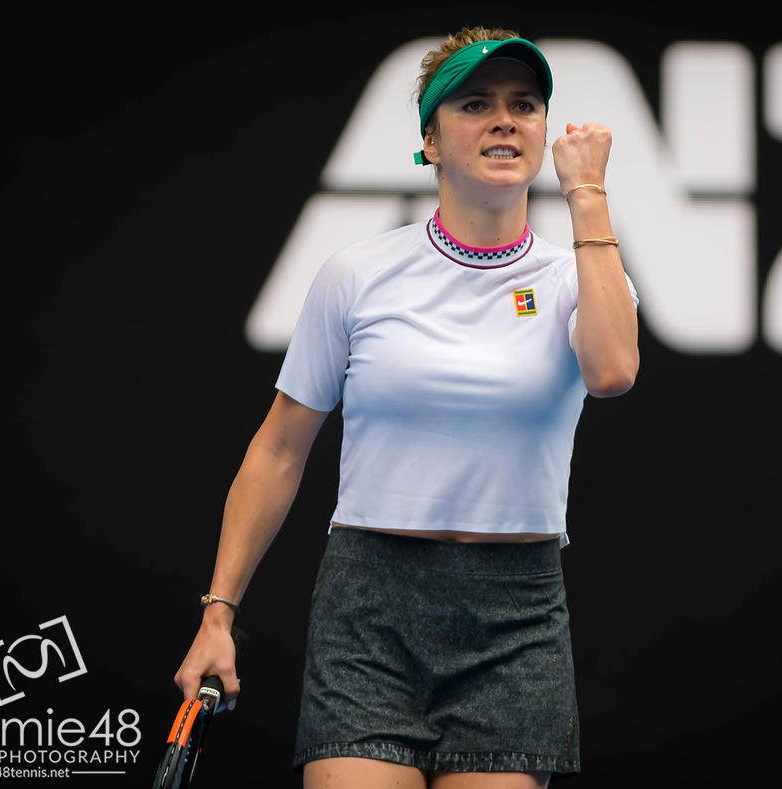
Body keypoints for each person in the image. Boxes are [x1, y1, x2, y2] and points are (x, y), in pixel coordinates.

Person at [174, 25, 639, 789]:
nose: (504, 120)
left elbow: (613, 371)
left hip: (516, 618)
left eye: (524, 105)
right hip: (370, 611)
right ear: (430, 140)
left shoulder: (575, 277)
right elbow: (279, 448)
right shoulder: (356, 274)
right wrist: (217, 613)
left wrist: (588, 195)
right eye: (475, 104)